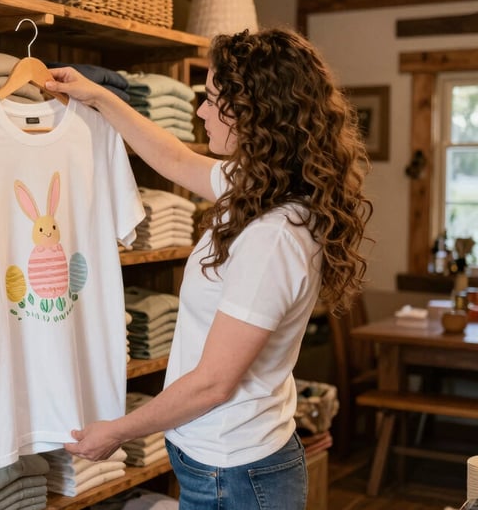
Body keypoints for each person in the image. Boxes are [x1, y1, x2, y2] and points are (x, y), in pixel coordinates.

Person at [45, 27, 372, 509]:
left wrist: (116, 431)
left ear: (255, 113)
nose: (199, 111)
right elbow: (174, 158)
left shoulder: (274, 237)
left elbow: (213, 383)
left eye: (212, 98)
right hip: (221, 460)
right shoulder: (259, 185)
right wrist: (97, 97)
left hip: (237, 473)